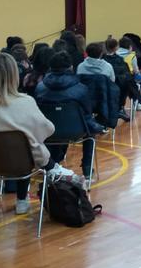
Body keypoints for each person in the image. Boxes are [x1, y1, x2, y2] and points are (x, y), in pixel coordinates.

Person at [0, 53, 83, 214]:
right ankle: (22, 199)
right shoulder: (26, 102)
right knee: (28, 145)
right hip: (20, 162)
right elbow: (47, 129)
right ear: (14, 75)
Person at [35, 51, 102, 182]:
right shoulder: (80, 88)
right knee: (90, 131)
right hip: (75, 130)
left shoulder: (40, 87)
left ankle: (51, 166)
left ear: (50, 67)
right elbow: (88, 112)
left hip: (48, 132)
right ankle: (87, 170)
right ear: (71, 67)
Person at [118, 37, 141, 109]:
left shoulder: (115, 54)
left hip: (117, 78)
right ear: (130, 47)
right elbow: (136, 71)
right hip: (129, 78)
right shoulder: (132, 56)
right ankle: (139, 103)